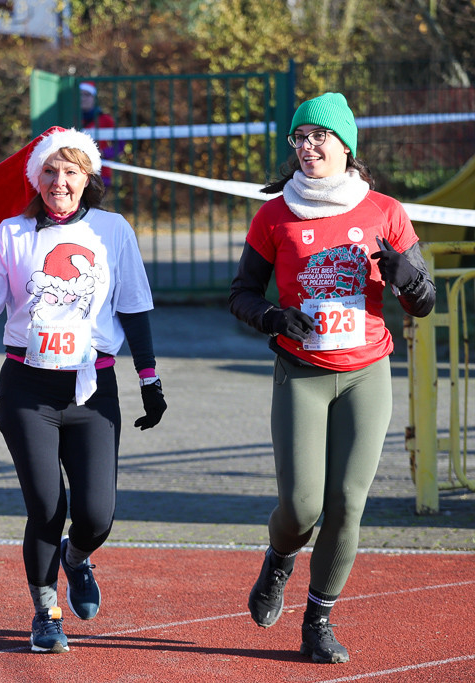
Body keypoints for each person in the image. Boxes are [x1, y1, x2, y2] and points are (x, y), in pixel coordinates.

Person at [0, 128, 166, 653]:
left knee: (97, 516)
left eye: (71, 171)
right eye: (50, 172)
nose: (60, 182)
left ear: (89, 178)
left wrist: (149, 381)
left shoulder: (113, 231)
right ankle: (46, 612)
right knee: (45, 507)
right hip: (27, 390)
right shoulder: (11, 234)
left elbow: (134, 307)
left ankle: (77, 558)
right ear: (35, 178)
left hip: (92, 390)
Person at [229, 92, 436, 664]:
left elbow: (425, 302)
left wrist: (409, 281)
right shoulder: (274, 215)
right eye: (300, 138)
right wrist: (270, 316)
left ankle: (318, 620)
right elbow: (241, 294)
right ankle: (278, 559)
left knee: (347, 501)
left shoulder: (386, 212)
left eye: (319, 137)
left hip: (366, 373)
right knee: (300, 508)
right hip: (302, 373)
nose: (309, 147)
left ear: (346, 145)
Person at [79, 82, 117, 187]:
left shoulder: (106, 120)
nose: (83, 98)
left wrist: (102, 153)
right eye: (80, 94)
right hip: (76, 174)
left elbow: (120, 145)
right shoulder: (70, 118)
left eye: (86, 94)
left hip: (101, 174)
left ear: (94, 98)